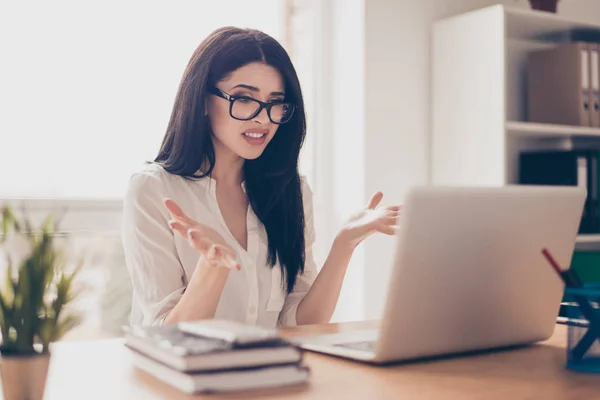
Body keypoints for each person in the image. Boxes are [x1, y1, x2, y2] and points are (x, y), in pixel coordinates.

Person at [121, 27, 399, 328]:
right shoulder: (153, 189)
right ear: (202, 100)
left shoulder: (292, 190)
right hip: (186, 374)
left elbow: (300, 323)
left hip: (269, 370)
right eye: (243, 99)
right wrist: (213, 268)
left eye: (275, 102)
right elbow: (163, 335)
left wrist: (345, 244)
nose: (263, 118)